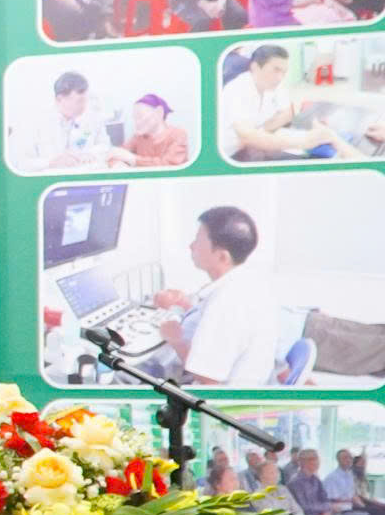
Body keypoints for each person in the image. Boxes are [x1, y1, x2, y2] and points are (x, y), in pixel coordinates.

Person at [150, 206, 279, 387]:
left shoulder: (226, 302)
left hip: (218, 401)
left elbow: (208, 378)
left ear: (222, 257)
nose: (191, 246)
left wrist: (175, 339)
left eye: (198, 240)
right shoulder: (248, 283)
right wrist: (186, 306)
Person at [220, 44, 344, 161]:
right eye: (276, 70)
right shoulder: (238, 88)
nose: (280, 77)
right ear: (255, 67)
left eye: (284, 72)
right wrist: (302, 141)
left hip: (254, 147)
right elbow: (247, 137)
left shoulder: (273, 84)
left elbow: (287, 113)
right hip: (231, 156)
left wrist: (313, 122)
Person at [17, 71, 112, 170]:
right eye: (79, 101)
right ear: (59, 99)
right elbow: (21, 164)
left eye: (85, 100)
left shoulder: (93, 117)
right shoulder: (35, 122)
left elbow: (105, 145)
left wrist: (91, 153)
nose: (84, 106)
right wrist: (50, 162)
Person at [286, 448, 378, 515]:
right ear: (302, 462)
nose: (317, 462)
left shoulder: (315, 480)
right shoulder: (295, 483)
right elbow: (304, 507)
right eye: (313, 459)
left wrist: (326, 511)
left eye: (317, 458)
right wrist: (326, 509)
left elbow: (325, 499)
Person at [121, 94, 190, 167]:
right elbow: (119, 153)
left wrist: (133, 159)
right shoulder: (138, 137)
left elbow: (169, 164)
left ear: (159, 112)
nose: (136, 122)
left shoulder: (178, 135)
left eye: (140, 116)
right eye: (134, 118)